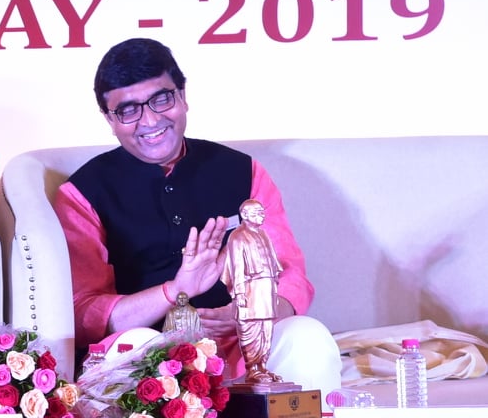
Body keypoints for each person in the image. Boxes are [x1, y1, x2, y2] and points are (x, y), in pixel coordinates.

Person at [52, 38, 340, 395]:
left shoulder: (243, 172)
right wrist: (175, 291)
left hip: (240, 349)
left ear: (183, 96)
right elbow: (84, 314)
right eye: (128, 110)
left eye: (161, 99)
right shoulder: (82, 194)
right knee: (137, 345)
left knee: (307, 337)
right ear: (110, 120)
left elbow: (290, 274)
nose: (150, 120)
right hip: (144, 351)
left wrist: (249, 314)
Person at [221, 198, 284, 384]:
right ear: (245, 215)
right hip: (250, 288)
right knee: (251, 328)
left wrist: (274, 289)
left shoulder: (263, 233)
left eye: (262, 212)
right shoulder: (237, 236)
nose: (262, 215)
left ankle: (262, 366)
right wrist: (239, 293)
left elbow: (274, 263)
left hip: (267, 286)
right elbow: (237, 267)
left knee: (267, 328)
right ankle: (253, 368)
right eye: (257, 212)